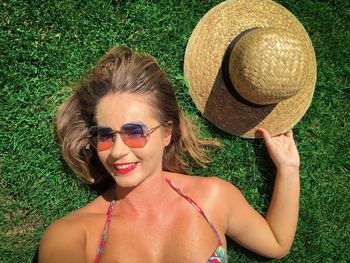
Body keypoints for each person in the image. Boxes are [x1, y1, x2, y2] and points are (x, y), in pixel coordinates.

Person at [39, 46, 300, 262]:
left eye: (134, 131)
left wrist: (288, 169)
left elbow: (276, 243)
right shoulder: (74, 235)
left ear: (166, 133)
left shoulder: (213, 198)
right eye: (106, 135)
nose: (117, 152)